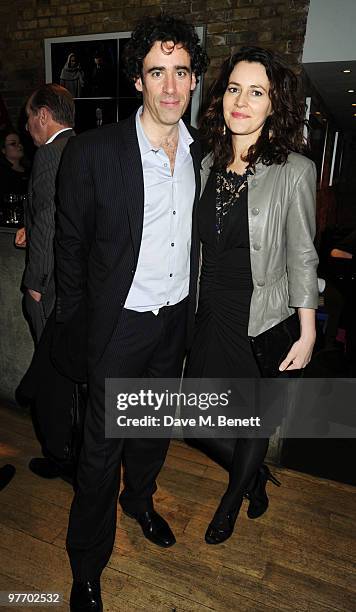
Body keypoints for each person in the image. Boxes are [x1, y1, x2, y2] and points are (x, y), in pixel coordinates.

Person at [55, 15, 208, 611]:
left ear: (194, 80)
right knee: (100, 453)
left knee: (151, 434)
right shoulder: (94, 153)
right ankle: (86, 563)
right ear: (138, 81)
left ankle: (139, 501)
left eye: (180, 72)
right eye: (155, 73)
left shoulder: (204, 156)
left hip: (173, 324)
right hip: (118, 326)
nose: (169, 87)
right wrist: (75, 323)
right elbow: (69, 246)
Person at [185, 46, 319, 545]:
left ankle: (230, 500)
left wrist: (307, 332)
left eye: (256, 92)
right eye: (234, 88)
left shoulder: (294, 171)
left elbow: (304, 255)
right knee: (196, 423)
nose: (241, 101)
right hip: (210, 310)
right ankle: (254, 476)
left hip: (260, 316)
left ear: (273, 104)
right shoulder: (204, 164)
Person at [17, 84, 76, 481]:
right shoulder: (82, 146)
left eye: (28, 117)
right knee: (67, 376)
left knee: (51, 379)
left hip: (51, 285)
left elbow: (49, 222)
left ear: (43, 115)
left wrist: (35, 282)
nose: (26, 127)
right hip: (76, 285)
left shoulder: (49, 154)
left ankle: (59, 457)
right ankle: (75, 453)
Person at [0, 130, 29, 198]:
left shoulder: (30, 170)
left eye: (20, 142)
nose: (19, 146)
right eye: (13, 143)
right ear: (3, 150)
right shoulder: (2, 173)